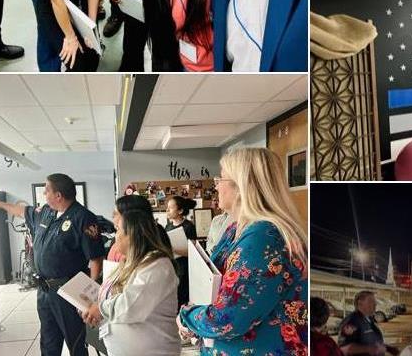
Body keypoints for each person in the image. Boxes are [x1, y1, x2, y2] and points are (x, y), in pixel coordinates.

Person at [177, 147, 308, 354]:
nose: (216, 187)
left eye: (220, 179)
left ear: (241, 187)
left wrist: (187, 316)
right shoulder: (236, 229)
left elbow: (229, 318)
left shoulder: (263, 237)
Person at [0, 173, 104, 356]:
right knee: (48, 341)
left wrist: (91, 297)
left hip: (69, 291)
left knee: (76, 343)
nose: (43, 194)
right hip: (44, 290)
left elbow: (96, 259)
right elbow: (22, 212)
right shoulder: (46, 212)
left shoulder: (83, 218)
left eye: (46, 190)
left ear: (58, 195)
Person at [82, 209, 180, 356]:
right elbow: (113, 294)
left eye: (118, 230)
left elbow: (130, 305)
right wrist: (91, 305)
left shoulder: (157, 265)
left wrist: (101, 310)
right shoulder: (129, 261)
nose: (116, 236)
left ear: (132, 235)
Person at [107, 194, 169, 262]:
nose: (112, 216)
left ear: (131, 218)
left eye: (116, 213)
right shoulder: (117, 240)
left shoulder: (150, 258)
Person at [338, 291, 400, 355]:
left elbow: (373, 342)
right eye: (371, 301)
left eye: (374, 302)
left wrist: (388, 348)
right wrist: (369, 349)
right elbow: (344, 349)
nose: (375, 304)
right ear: (360, 303)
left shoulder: (369, 320)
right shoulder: (352, 321)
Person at [164, 195, 197, 307]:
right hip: (171, 267)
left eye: (171, 208)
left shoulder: (188, 226)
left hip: (184, 268)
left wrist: (174, 249)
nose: (167, 210)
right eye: (167, 207)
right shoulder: (167, 227)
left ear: (180, 210)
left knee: (182, 297)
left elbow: (193, 252)